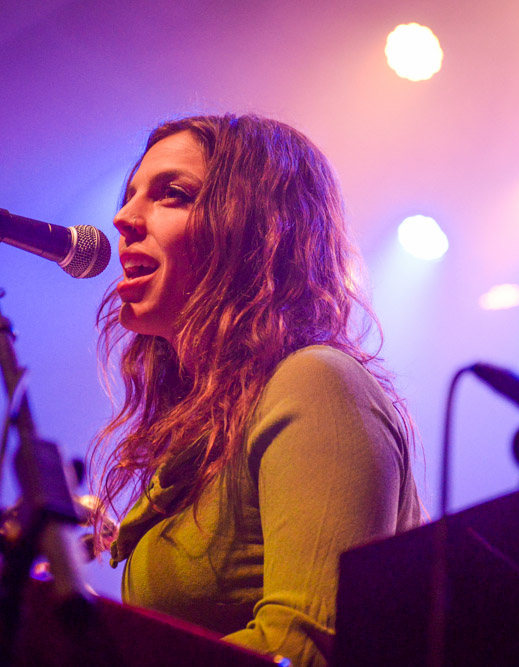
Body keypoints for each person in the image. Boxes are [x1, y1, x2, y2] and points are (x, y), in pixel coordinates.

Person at [89, 114, 422, 667]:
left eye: (173, 195)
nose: (123, 218)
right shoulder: (208, 430)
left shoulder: (315, 382)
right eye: (129, 196)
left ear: (252, 231)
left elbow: (302, 647)